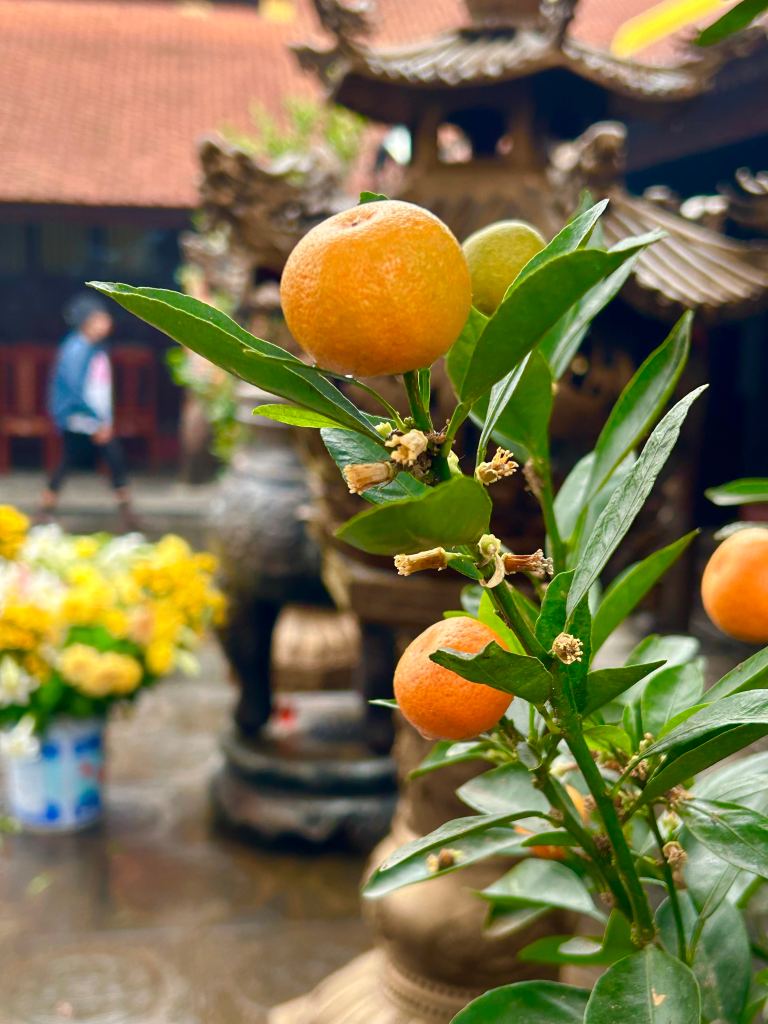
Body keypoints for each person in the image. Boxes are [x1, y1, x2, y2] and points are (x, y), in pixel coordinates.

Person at [39, 293, 138, 530]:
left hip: (91, 417)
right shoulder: (77, 348)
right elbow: (74, 389)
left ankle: (46, 508)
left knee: (72, 458)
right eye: (100, 320)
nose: (106, 324)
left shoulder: (95, 348)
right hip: (81, 417)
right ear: (86, 322)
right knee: (110, 458)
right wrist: (96, 419)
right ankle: (126, 512)